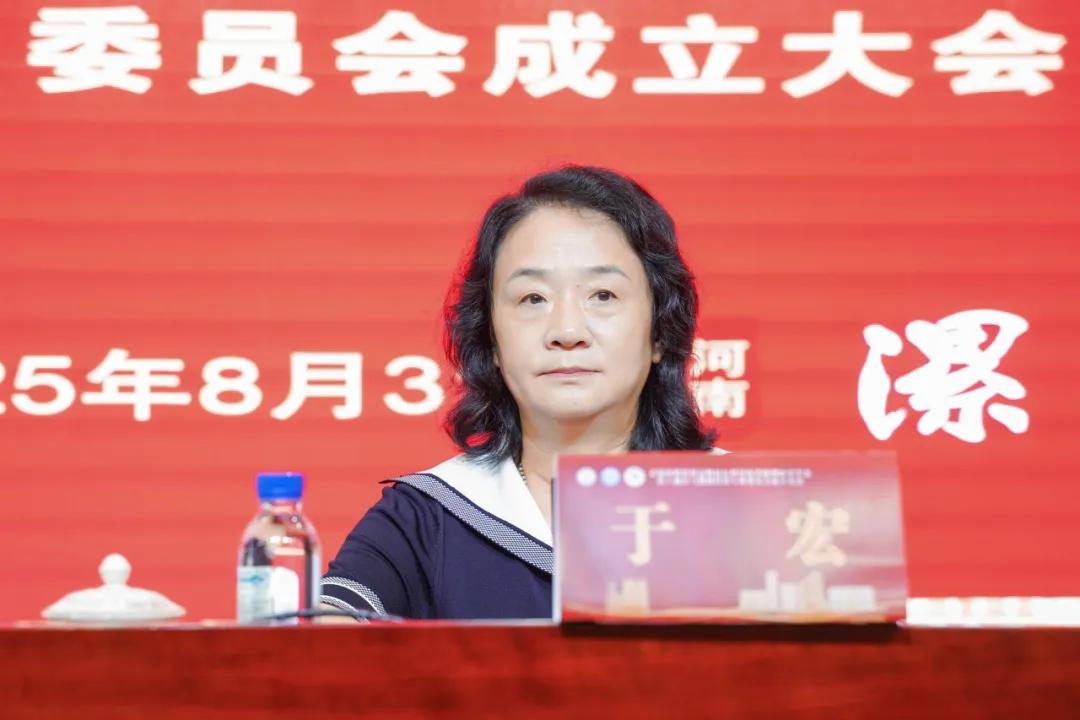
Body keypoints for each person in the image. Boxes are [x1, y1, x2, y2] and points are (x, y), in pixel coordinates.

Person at [319, 165, 715, 620]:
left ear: (660, 331)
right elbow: (319, 646)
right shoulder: (426, 518)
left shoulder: (741, 509)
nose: (567, 331)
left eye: (603, 295)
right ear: (491, 340)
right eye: (533, 299)